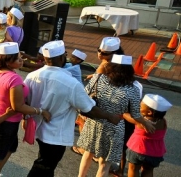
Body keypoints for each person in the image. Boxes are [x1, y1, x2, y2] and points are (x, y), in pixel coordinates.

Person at [24, 40, 123, 177]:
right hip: (56, 134)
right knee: (44, 166)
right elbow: (88, 109)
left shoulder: (32, 76)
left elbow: (25, 100)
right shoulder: (70, 83)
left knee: (46, 164)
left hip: (38, 128)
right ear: (60, 58)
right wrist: (110, 116)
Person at [0, 42, 51, 177]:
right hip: (5, 119)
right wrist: (40, 111)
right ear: (8, 62)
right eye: (17, 58)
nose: (22, 60)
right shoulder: (14, 78)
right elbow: (18, 106)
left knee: (10, 147)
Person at [77, 55, 154, 177]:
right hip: (115, 126)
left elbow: (83, 96)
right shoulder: (132, 89)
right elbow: (135, 114)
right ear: (129, 70)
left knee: (88, 153)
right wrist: (145, 122)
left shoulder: (98, 78)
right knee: (104, 164)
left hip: (95, 121)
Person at [125, 94, 171, 177]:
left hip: (138, 149)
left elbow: (127, 116)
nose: (139, 106)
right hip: (155, 152)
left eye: (141, 106)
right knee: (148, 170)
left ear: (149, 112)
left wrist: (123, 112)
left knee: (133, 169)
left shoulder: (142, 122)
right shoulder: (163, 122)